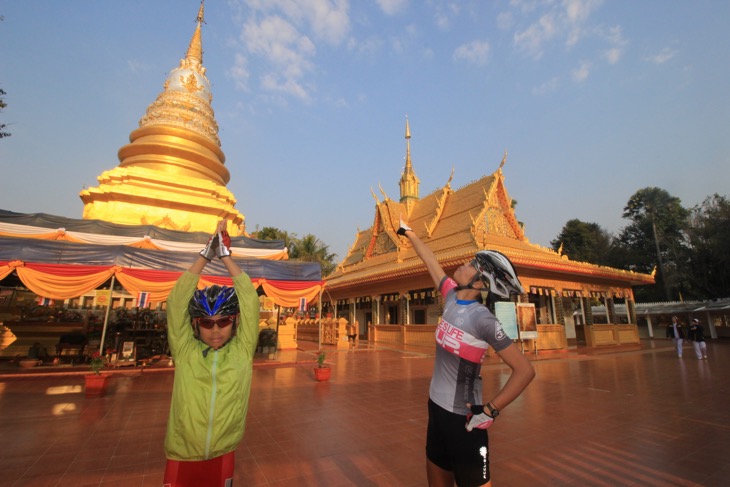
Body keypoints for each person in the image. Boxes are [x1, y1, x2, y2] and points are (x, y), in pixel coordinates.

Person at [397, 220, 535, 487]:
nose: (464, 264)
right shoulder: (450, 295)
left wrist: (492, 410)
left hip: (465, 419)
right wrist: (409, 232)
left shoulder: (483, 320)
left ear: (481, 282)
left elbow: (525, 370)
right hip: (436, 411)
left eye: (473, 265)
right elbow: (430, 261)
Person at [163, 220, 260, 487]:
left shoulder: (241, 352)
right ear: (196, 325)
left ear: (234, 323)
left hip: (224, 449)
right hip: (182, 452)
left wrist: (227, 257)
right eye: (207, 323)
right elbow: (176, 303)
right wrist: (205, 256)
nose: (215, 330)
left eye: (223, 321)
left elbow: (250, 301)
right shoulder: (185, 351)